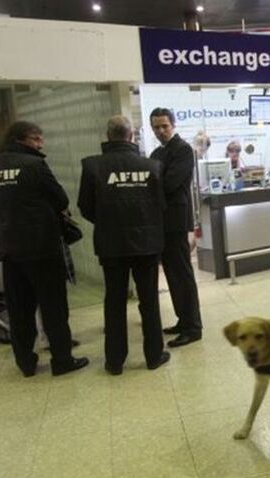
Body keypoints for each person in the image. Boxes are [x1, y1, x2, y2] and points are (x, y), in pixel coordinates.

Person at [0, 121, 89, 377]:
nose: (40, 144)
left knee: (20, 310)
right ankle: (62, 360)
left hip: (10, 249)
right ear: (21, 139)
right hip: (42, 248)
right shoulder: (34, 165)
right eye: (36, 139)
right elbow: (61, 199)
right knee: (53, 306)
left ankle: (26, 363)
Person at [78, 116, 170, 375]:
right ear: (131, 136)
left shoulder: (93, 166)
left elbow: (85, 206)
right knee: (149, 301)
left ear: (108, 137)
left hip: (111, 244)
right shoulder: (153, 166)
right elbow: (160, 205)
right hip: (147, 244)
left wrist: (107, 222)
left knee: (114, 302)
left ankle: (114, 361)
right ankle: (153, 356)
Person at [149, 108, 203, 348]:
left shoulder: (183, 150)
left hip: (176, 221)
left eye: (164, 126)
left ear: (173, 125)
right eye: (156, 127)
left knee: (182, 274)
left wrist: (150, 186)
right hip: (161, 222)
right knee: (171, 274)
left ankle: (193, 327)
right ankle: (183, 319)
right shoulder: (157, 152)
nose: (161, 131)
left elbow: (170, 183)